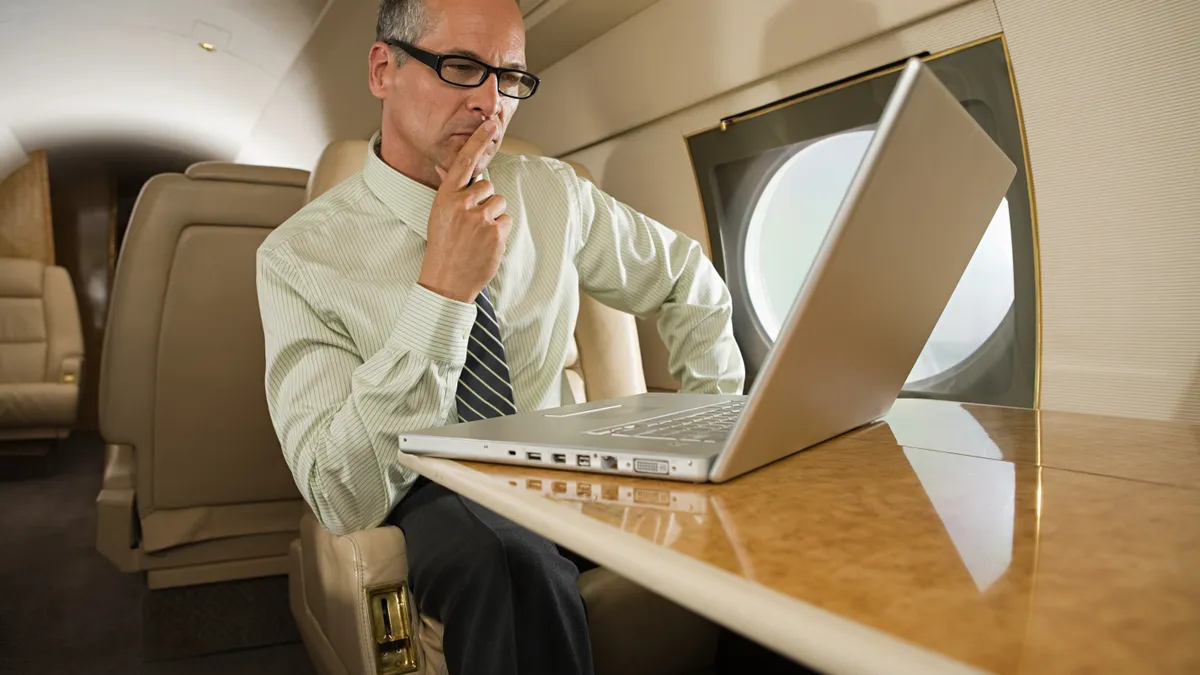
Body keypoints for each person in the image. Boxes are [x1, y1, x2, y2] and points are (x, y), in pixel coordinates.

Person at [256, 0, 745, 672]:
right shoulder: (299, 257)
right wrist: (442, 293)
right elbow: (340, 492)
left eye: (510, 77)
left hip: (566, 464)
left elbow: (687, 277)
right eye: (461, 67)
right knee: (509, 562)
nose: (492, 104)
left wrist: (715, 420)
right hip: (426, 481)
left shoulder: (552, 194)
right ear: (382, 70)